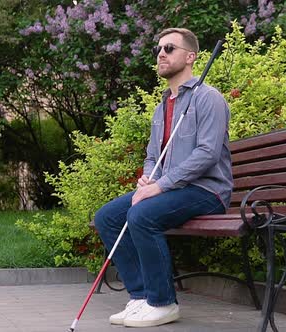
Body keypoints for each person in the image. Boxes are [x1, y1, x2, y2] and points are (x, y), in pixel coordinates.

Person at [94, 28, 233, 328]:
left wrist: (160, 186)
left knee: (141, 214)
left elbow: (207, 154)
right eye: (158, 49)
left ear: (190, 56)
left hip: (207, 191)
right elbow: (152, 156)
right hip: (170, 189)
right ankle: (142, 297)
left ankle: (163, 303)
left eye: (169, 48)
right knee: (107, 217)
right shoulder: (162, 107)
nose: (161, 54)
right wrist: (147, 179)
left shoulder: (208, 99)